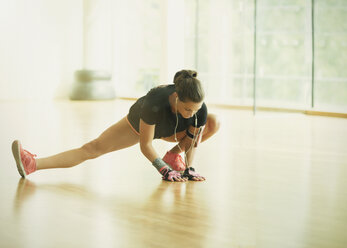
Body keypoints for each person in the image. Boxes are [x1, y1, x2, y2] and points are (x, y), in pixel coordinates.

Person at [11, 70, 220, 182]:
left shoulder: (198, 109)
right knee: (92, 149)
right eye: (188, 109)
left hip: (172, 131)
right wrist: (163, 170)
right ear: (176, 97)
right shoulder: (156, 99)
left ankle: (174, 155)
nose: (192, 113)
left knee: (213, 122)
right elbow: (145, 145)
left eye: (196, 109)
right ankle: (32, 164)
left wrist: (189, 168)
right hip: (139, 125)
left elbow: (193, 141)